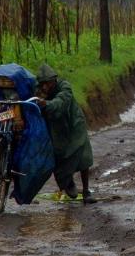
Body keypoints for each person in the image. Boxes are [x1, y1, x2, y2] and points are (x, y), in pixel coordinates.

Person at [35, 64, 96, 204]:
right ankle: (68, 182)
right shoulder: (38, 91)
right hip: (56, 128)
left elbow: (61, 102)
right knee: (59, 156)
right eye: (42, 84)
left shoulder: (64, 87)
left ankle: (86, 191)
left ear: (54, 80)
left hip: (74, 124)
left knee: (83, 156)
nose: (45, 86)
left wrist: (46, 104)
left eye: (47, 83)